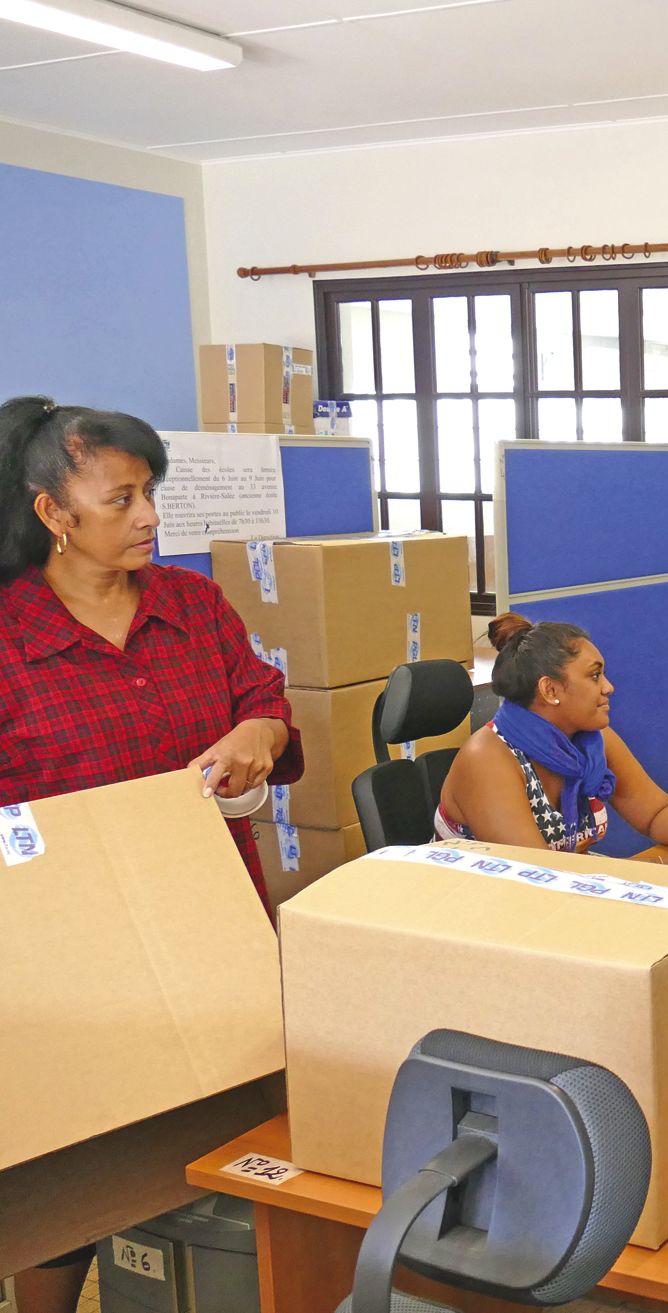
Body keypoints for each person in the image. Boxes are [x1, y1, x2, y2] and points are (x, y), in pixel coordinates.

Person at [0, 396, 304, 1313]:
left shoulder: (192, 604)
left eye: (151, 493)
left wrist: (257, 729)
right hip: (76, 963)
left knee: (247, 1134)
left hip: (219, 929)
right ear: (53, 511)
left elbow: (266, 701)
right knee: (74, 1177)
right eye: (121, 497)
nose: (148, 518)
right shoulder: (11, 639)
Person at [437, 612, 668, 860]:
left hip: (567, 883)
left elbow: (657, 814)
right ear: (550, 689)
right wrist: (666, 863)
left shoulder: (594, 741)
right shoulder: (486, 758)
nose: (609, 687)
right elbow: (538, 876)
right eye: (595, 676)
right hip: (482, 893)